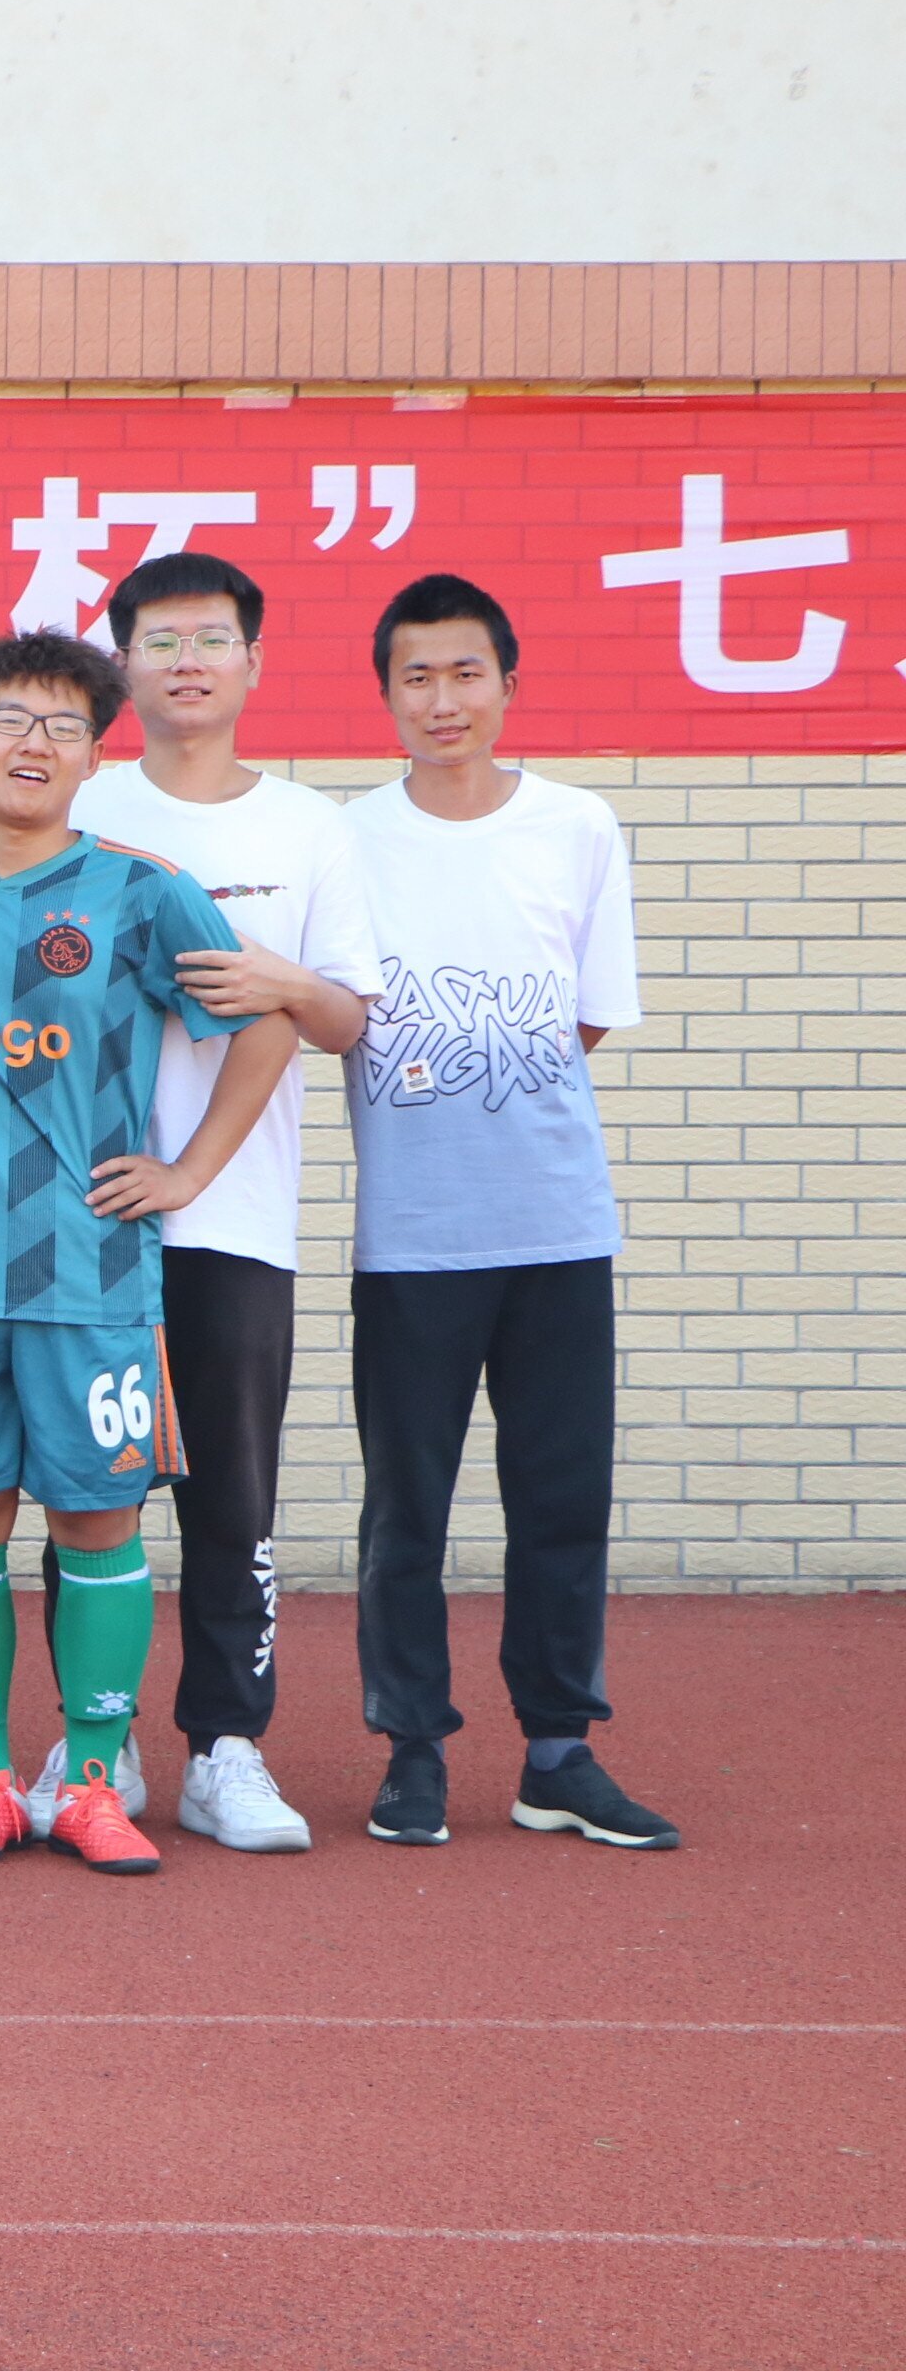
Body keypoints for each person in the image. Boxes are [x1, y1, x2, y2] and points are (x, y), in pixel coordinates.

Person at [0, 552, 380, 1852]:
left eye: (60, 725)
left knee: (136, 1513)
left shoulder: (165, 873)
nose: (33, 742)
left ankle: (133, 1770)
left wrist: (190, 1170)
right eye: (8, 719)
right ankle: (6, 1771)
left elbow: (286, 1018)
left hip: (126, 1254)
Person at [340, 577, 675, 1853]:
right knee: (405, 1509)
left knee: (561, 1498)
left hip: (557, 1224)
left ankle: (558, 1753)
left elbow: (584, 1016)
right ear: (386, 695)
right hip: (413, 1234)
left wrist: (486, 1073)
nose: (443, 699)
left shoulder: (577, 824)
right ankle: (413, 1749)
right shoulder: (347, 838)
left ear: (508, 684)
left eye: (465, 672)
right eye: (417, 676)